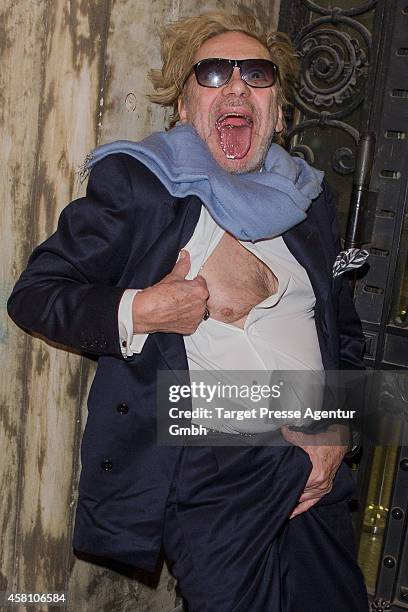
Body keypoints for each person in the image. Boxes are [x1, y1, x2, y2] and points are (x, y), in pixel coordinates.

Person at [8, 10, 369, 612]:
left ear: (279, 112)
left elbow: (344, 334)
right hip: (218, 470)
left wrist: (336, 426)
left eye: (257, 74)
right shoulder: (142, 186)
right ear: (182, 105)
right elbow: (36, 294)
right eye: (212, 74)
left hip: (317, 476)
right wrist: (142, 309)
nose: (235, 86)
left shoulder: (307, 201)